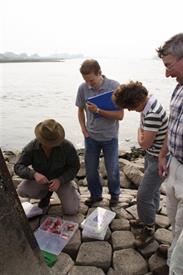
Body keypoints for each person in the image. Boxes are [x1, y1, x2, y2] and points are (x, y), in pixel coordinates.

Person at [113, 81, 168, 248]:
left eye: (130, 107)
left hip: (158, 158)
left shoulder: (151, 114)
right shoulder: (149, 102)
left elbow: (143, 143)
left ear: (136, 102)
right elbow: (146, 137)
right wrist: (142, 132)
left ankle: (149, 228)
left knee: (143, 196)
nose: (130, 110)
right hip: (153, 155)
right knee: (153, 191)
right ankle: (149, 216)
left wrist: (139, 132)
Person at [153, 33, 183, 275]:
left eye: (169, 66)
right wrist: (163, 155)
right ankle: (173, 250)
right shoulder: (178, 89)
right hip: (173, 164)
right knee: (174, 220)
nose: (167, 74)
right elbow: (171, 125)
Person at [75, 59, 124, 207]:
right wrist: (83, 129)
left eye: (91, 80)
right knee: (90, 170)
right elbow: (80, 110)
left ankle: (115, 195)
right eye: (86, 80)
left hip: (110, 137)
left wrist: (98, 111)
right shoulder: (83, 88)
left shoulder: (115, 87)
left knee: (112, 169)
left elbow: (120, 116)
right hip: (91, 137)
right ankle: (95, 195)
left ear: (100, 73)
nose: (89, 84)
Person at [14, 119, 80, 215]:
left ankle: (73, 188)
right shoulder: (32, 147)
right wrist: (34, 174)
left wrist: (60, 180)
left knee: (71, 211)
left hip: (62, 181)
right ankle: (46, 196)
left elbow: (74, 167)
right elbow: (18, 166)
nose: (51, 145)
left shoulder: (67, 146)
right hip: (41, 181)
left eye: (54, 142)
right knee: (22, 190)